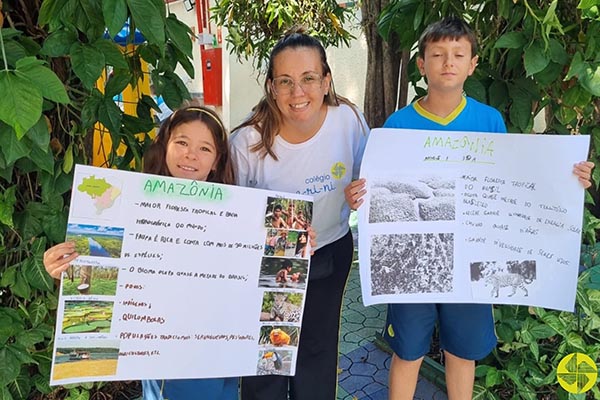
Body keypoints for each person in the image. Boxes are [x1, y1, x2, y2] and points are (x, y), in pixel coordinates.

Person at [344, 17, 595, 400]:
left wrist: (568, 178)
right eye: (438, 54)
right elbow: (375, 189)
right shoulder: (398, 125)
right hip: (414, 261)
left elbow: (514, 181)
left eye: (458, 54)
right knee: (408, 350)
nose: (448, 62)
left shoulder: (488, 120)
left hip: (473, 258)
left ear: (473, 64)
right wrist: (358, 197)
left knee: (462, 351)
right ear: (422, 64)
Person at [42, 103, 238, 400]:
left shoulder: (237, 216)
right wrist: (63, 267)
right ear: (164, 147)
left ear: (216, 160)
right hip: (165, 355)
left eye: (204, 148)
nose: (190, 155)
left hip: (218, 351)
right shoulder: (127, 206)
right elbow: (98, 274)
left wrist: (296, 244)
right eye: (182, 143)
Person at [229, 27, 369, 400]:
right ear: (271, 87)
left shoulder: (350, 121)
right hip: (272, 260)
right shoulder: (247, 141)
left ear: (326, 81)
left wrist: (361, 196)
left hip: (331, 251)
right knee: (270, 358)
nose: (298, 92)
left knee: (318, 353)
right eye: (286, 81)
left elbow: (369, 180)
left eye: (308, 79)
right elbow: (230, 215)